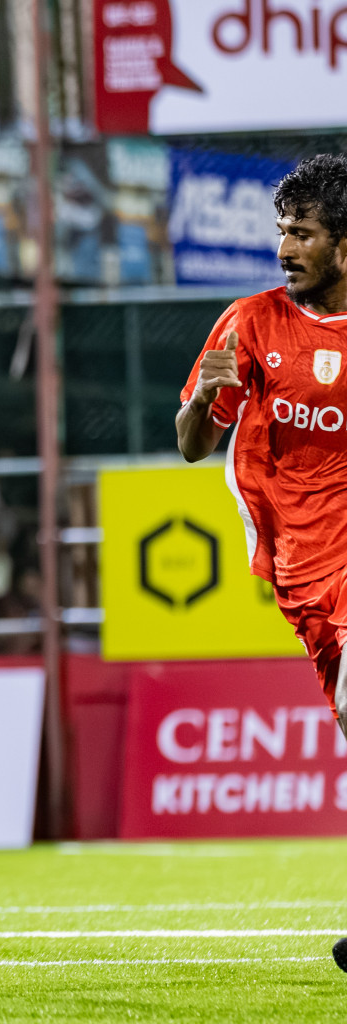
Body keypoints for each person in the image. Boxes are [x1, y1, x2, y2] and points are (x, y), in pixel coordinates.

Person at [172, 154, 347, 972]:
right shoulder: (250, 322)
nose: (285, 247)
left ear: (344, 248)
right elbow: (191, 448)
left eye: (303, 234)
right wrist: (206, 399)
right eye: (281, 231)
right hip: (300, 565)